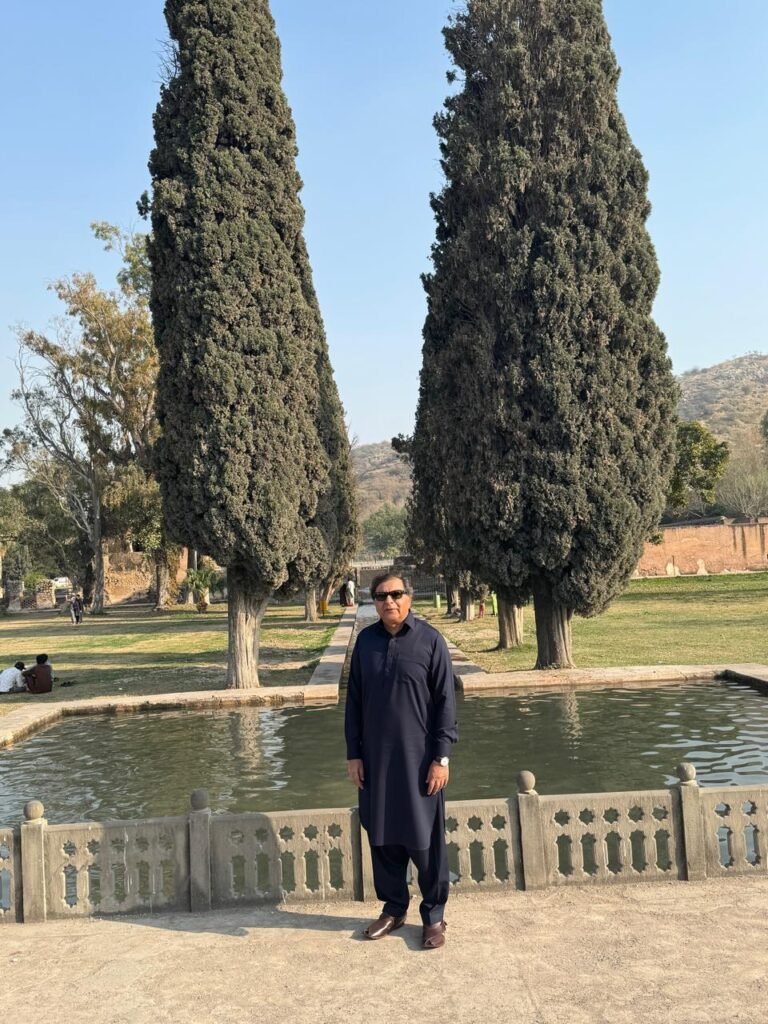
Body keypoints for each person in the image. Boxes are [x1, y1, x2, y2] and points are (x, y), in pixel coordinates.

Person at [345, 572, 458, 950]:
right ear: (373, 602)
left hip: (420, 762)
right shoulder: (366, 643)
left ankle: (434, 915)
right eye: (380, 596)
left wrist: (441, 758)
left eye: (395, 594)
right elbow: (354, 704)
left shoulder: (429, 641)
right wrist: (354, 755)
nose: (388, 601)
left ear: (408, 597)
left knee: (424, 842)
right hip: (375, 762)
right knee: (382, 837)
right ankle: (394, 908)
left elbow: (446, 704)